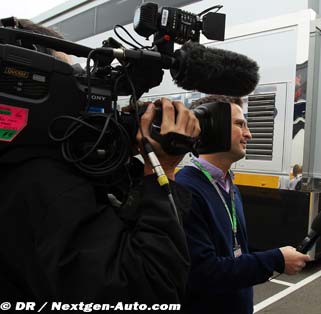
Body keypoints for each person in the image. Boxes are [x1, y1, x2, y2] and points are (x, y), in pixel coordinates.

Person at [0, 19, 200, 304]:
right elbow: (148, 290)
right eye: (72, 80)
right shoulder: (42, 183)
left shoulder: (18, 166)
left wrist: (120, 146)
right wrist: (162, 169)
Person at [175, 95, 311, 314]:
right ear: (210, 126)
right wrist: (275, 259)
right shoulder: (186, 189)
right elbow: (202, 273)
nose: (249, 134)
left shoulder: (230, 185)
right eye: (240, 124)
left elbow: (236, 253)